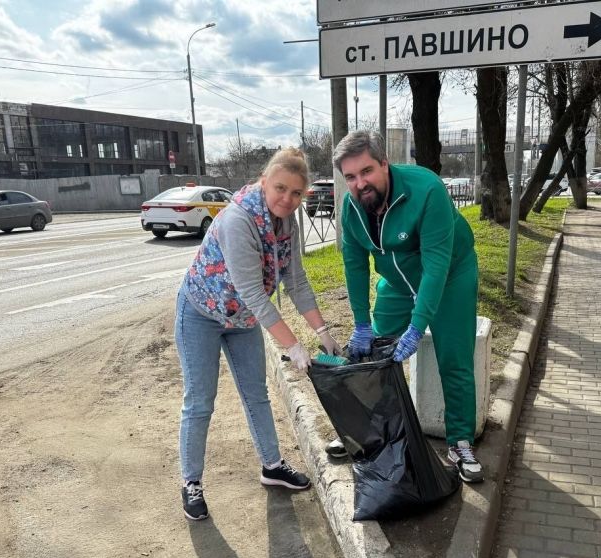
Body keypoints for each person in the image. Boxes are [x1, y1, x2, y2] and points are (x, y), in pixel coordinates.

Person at [175, 147, 342, 520]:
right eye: (280, 188)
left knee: (256, 395)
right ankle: (192, 483)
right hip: (202, 313)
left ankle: (271, 466)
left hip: (243, 322)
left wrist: (323, 332)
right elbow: (252, 292)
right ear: (264, 182)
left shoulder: (287, 224)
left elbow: (296, 281)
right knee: (200, 401)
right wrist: (294, 346)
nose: (287, 199)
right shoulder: (238, 220)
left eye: (296, 193)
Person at [328, 131, 484, 483]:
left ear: (385, 163)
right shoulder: (351, 208)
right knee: (376, 356)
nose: (359, 183)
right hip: (397, 281)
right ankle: (366, 431)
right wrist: (361, 322)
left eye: (366, 171)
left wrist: (417, 326)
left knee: (454, 358)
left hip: (449, 277)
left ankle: (459, 441)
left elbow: (436, 264)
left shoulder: (425, 189)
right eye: (350, 177)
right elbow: (354, 265)